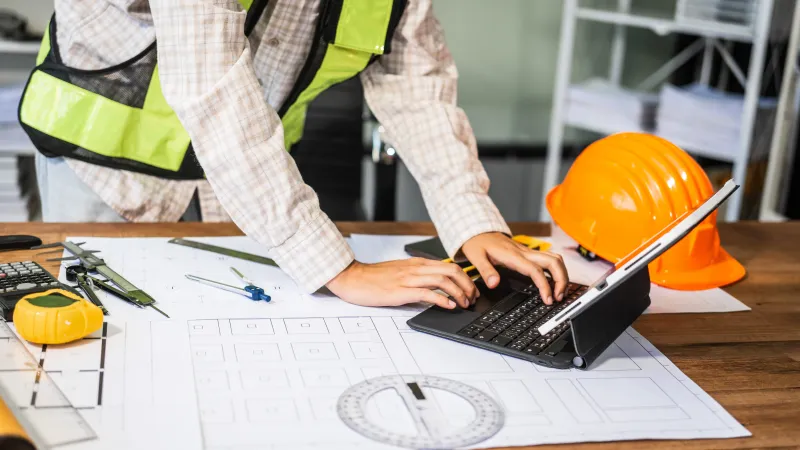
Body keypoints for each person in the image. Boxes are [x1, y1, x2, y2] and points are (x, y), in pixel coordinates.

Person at [29, 0, 569, 310]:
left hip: (248, 186)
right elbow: (210, 82)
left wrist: (473, 223)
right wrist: (339, 269)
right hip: (104, 170)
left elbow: (414, 83)